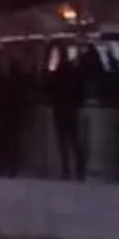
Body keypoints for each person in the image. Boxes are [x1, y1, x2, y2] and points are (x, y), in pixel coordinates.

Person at [45, 44, 89, 180]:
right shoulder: (74, 73)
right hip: (71, 109)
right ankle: (80, 168)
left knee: (62, 141)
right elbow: (80, 90)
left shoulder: (56, 74)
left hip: (59, 108)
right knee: (74, 140)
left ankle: (66, 169)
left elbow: (49, 89)